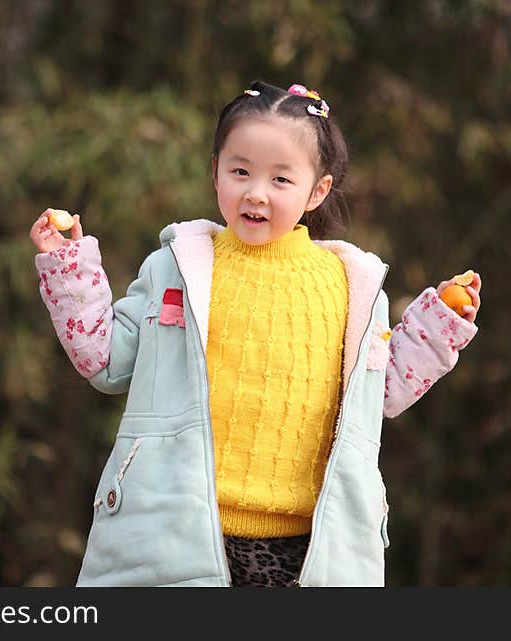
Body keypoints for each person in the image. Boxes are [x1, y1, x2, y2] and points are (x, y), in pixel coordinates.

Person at [28, 80, 482, 587]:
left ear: (318, 191)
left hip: (307, 554)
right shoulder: (176, 269)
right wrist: (68, 266)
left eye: (280, 180)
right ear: (216, 172)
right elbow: (105, 361)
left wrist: (439, 323)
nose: (255, 193)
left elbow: (382, 393)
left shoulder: (351, 287)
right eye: (239, 171)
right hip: (173, 533)